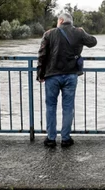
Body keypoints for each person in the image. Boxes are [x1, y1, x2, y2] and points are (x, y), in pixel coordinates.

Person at [37, 12, 97, 148]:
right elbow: (93, 42)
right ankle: (65, 139)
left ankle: (51, 139)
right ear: (70, 22)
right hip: (71, 75)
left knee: (51, 106)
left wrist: (40, 74)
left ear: (61, 20)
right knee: (68, 107)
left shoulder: (49, 33)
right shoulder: (79, 32)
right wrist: (83, 32)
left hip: (52, 75)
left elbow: (42, 54)